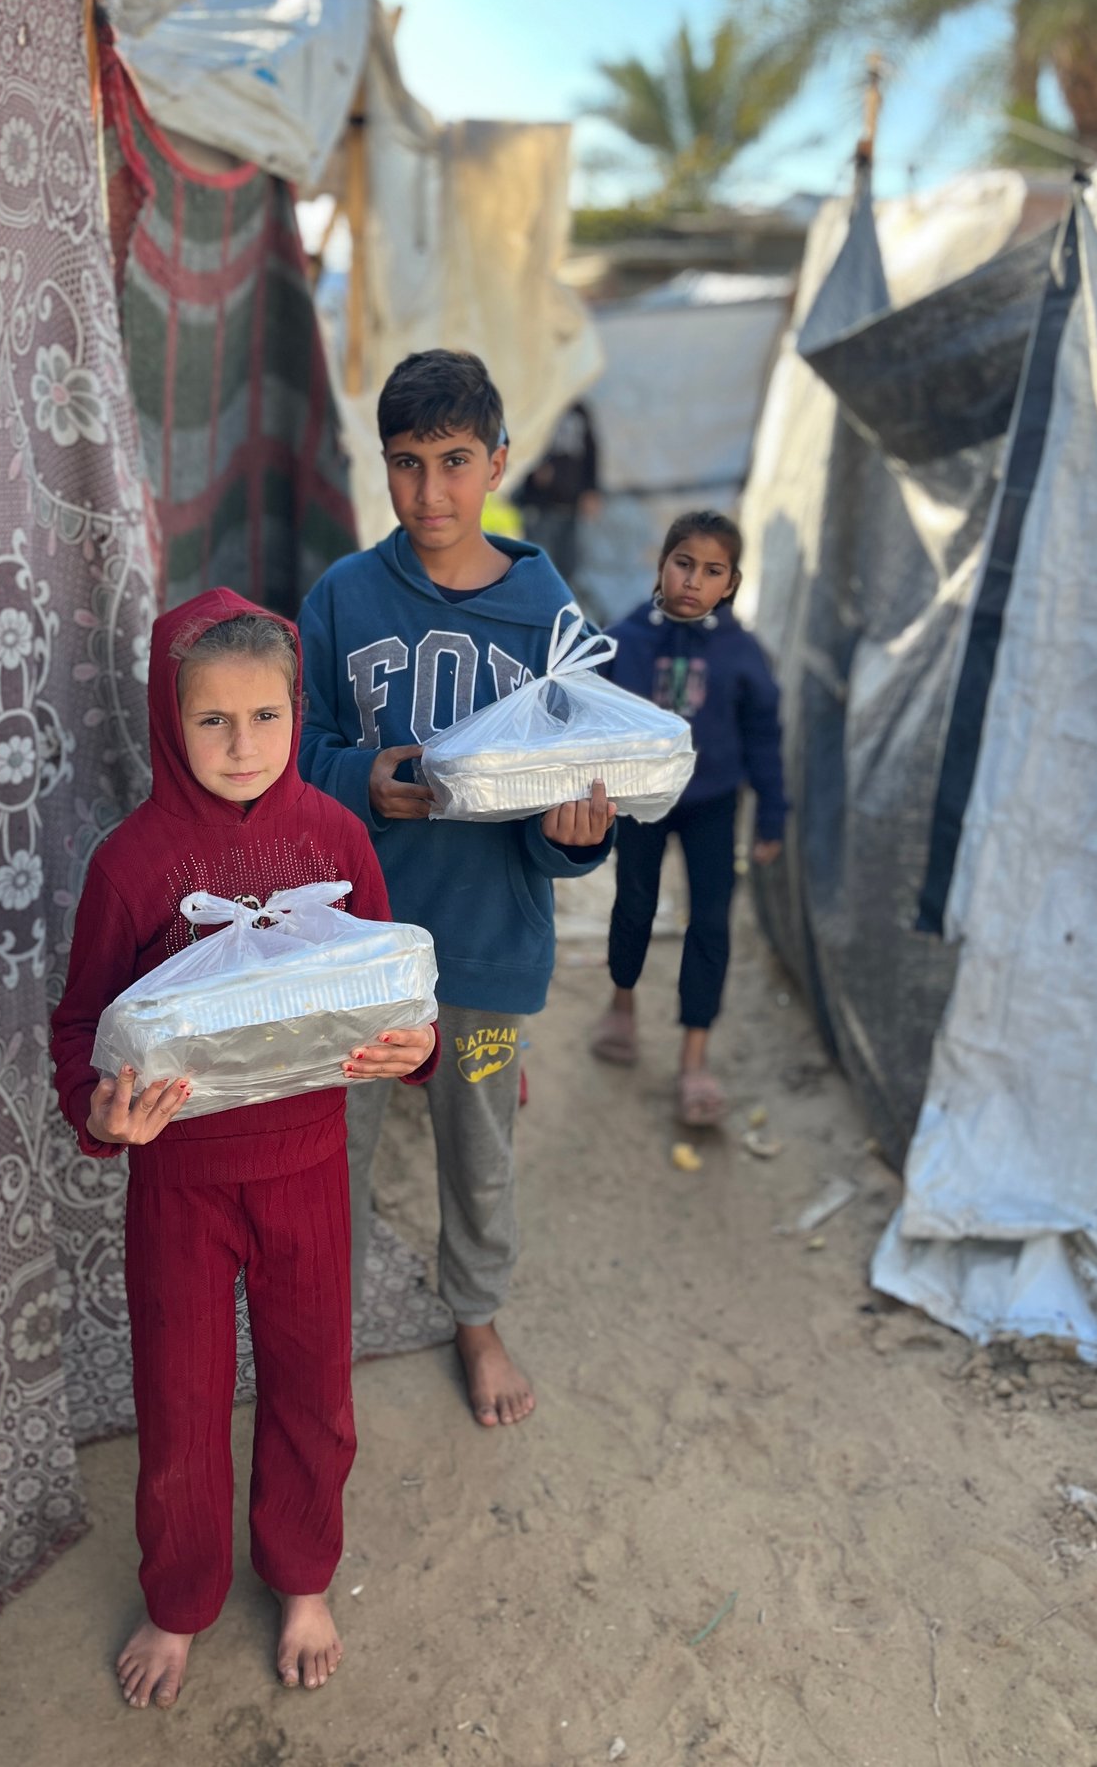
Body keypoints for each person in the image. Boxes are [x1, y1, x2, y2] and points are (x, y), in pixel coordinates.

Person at [49, 590, 437, 1710]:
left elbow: (386, 984)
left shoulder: (334, 837)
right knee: (178, 1401)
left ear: (294, 705)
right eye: (212, 721)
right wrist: (99, 1108)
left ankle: (303, 1575)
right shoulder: (134, 863)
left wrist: (418, 1048)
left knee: (314, 1384)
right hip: (180, 1184)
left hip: (309, 1165)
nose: (242, 746)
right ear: (170, 721)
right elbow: (81, 1024)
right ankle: (179, 1600)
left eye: (266, 717)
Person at [298, 349, 615, 1431]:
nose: (429, 492)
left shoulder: (547, 619)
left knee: (476, 1144)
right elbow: (301, 758)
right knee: (328, 1147)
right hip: (357, 947)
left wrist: (578, 836)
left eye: (453, 461)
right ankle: (320, 1330)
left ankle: (474, 1318)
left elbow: (572, 799)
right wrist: (360, 780)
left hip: (485, 956)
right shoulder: (342, 596)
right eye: (405, 464)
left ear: (498, 464)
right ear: (378, 465)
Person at [588, 511, 785, 1124]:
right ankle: (622, 1002)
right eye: (684, 563)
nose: (694, 580)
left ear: (731, 582)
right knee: (634, 903)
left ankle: (694, 1055)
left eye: (712, 570)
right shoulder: (623, 641)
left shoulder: (742, 653)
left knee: (711, 922)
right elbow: (589, 719)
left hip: (713, 804)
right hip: (644, 801)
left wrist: (773, 816)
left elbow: (764, 737)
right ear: (662, 565)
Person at [517, 399, 601, 587]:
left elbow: (591, 451)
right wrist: (534, 469)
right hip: (540, 504)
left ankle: (561, 610)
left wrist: (591, 489)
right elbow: (521, 444)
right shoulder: (539, 403)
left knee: (568, 566)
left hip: (571, 504)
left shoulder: (578, 409)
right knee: (541, 563)